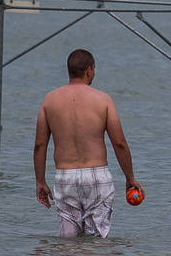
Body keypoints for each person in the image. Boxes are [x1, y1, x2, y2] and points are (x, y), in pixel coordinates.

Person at [34, 49, 142, 237]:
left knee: (68, 242)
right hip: (97, 178)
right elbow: (119, 143)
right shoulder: (103, 99)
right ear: (89, 70)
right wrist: (130, 177)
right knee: (97, 242)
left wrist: (40, 181)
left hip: (64, 176)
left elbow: (39, 145)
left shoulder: (49, 100)